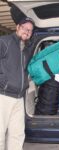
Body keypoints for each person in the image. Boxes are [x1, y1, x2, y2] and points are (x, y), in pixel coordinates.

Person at [0, 17, 34, 150]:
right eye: (25, 28)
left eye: (30, 30)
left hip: (19, 98)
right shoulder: (5, 41)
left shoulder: (25, 49)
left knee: (17, 134)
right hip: (3, 96)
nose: (27, 31)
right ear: (18, 27)